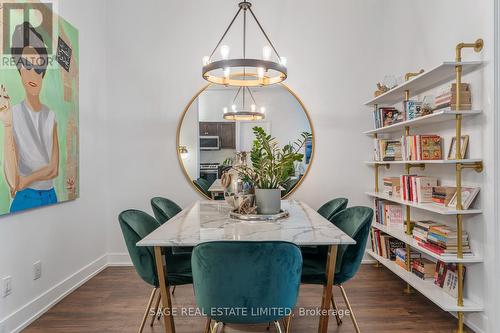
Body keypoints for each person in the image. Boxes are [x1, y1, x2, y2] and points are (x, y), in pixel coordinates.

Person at [0, 22, 59, 213]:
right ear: (19, 70)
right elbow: (12, 179)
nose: (33, 74)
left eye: (38, 67)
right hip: (26, 198)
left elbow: (54, 169)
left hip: (51, 195)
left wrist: (26, 179)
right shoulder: (14, 115)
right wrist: (8, 126)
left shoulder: (51, 115)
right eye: (26, 65)